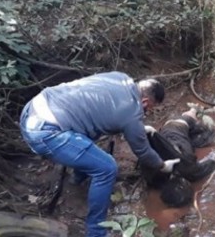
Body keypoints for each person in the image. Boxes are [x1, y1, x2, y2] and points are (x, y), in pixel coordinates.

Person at [19, 72, 179, 237]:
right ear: (145, 102)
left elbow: (103, 113)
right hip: (45, 133)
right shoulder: (131, 112)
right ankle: (96, 232)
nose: (147, 113)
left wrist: (137, 128)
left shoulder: (120, 78)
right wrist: (162, 165)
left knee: (88, 134)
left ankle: (78, 178)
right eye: (150, 109)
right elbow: (143, 151)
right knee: (107, 168)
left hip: (34, 108)